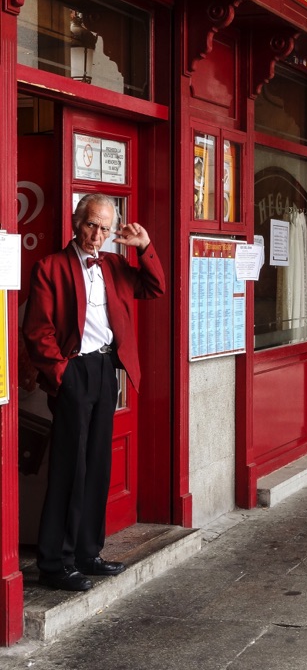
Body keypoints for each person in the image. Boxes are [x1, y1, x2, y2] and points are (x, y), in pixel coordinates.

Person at [23, 193, 165, 592]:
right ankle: (55, 563)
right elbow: (37, 331)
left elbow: (155, 288)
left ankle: (87, 552)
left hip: (106, 370)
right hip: (75, 371)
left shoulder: (116, 265)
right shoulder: (50, 267)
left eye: (104, 228)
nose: (96, 234)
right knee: (70, 467)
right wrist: (63, 375)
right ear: (75, 222)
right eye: (91, 225)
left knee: (99, 464)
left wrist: (145, 247)